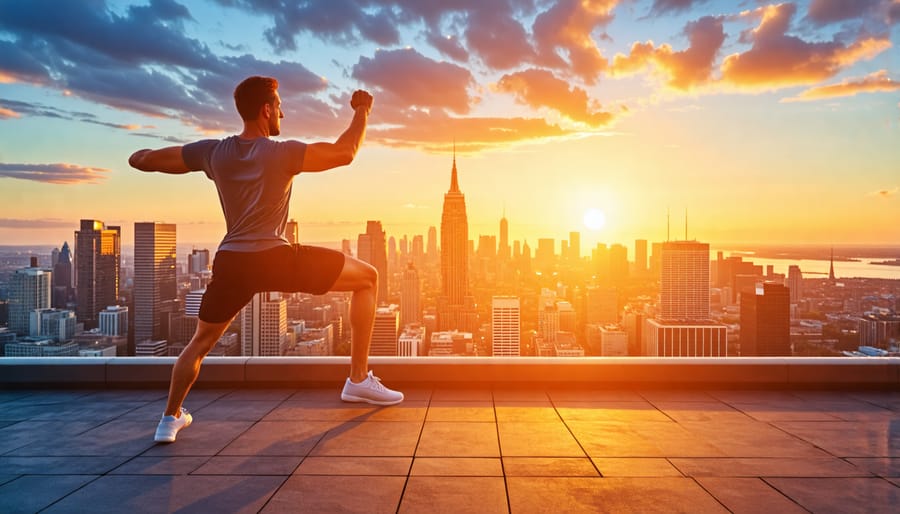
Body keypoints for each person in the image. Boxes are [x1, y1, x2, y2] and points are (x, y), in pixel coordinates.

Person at [129, 76, 403, 444]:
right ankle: (357, 380)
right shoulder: (282, 152)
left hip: (232, 263)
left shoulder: (213, 153)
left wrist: (138, 156)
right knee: (368, 278)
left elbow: (144, 160)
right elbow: (344, 152)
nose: (283, 113)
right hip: (275, 258)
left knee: (200, 343)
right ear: (266, 110)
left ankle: (168, 420)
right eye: (280, 106)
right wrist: (362, 110)